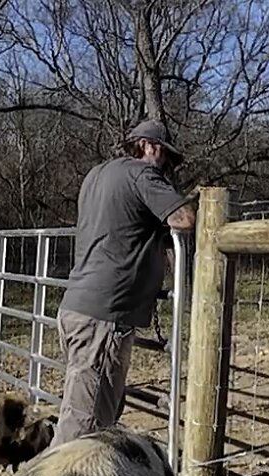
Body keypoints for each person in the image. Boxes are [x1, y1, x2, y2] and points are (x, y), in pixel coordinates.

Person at [51, 119, 197, 448]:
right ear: (150, 146)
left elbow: (123, 226)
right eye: (167, 158)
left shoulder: (97, 175)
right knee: (81, 427)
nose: (167, 167)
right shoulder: (142, 174)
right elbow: (183, 219)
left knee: (93, 411)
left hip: (78, 307)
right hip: (106, 316)